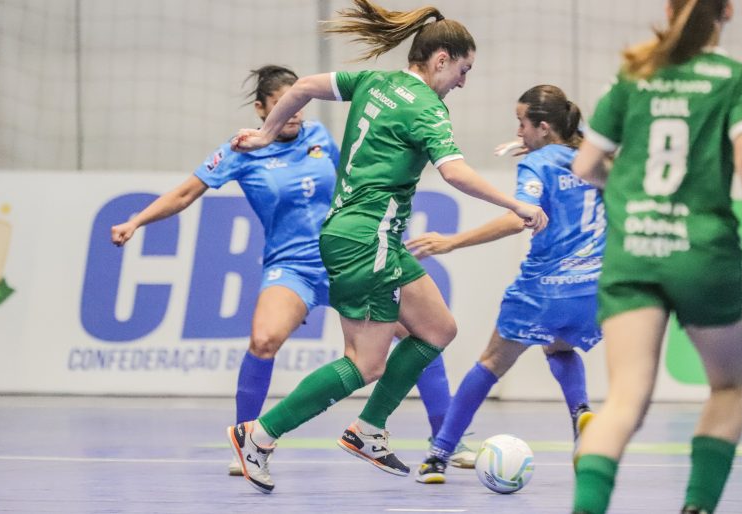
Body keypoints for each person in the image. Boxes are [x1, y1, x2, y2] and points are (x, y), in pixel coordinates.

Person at [226, 0, 548, 494]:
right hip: (367, 238)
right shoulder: (427, 109)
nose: (463, 82)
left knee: (438, 329)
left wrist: (268, 132)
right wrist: (515, 204)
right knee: (365, 362)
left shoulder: (375, 82)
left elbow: (307, 85)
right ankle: (260, 436)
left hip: (370, 234)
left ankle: (368, 429)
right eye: (464, 70)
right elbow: (455, 171)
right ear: (441, 59)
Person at [109, 64, 474, 476]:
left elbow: (356, 180)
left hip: (344, 257)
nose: (295, 113)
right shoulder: (240, 151)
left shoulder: (320, 139)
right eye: (283, 104)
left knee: (424, 330)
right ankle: (248, 439)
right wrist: (136, 220)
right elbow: (184, 193)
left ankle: (445, 440)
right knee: (264, 339)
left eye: (297, 104)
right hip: (292, 268)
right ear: (262, 108)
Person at [569, 1, 742, 513]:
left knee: (623, 403)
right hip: (703, 253)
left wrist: (632, 196)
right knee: (725, 388)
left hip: (634, 251)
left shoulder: (634, 73)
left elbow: (586, 164)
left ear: (669, 8)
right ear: (727, 12)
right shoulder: (740, 78)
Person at [409, 85, 605, 484]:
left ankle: (438, 455)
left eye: (522, 124)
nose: (518, 133)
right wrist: (543, 145)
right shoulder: (592, 159)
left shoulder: (538, 164)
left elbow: (521, 216)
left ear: (545, 126)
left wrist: (452, 241)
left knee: (489, 364)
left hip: (544, 288)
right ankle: (581, 413)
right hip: (594, 288)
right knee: (559, 345)